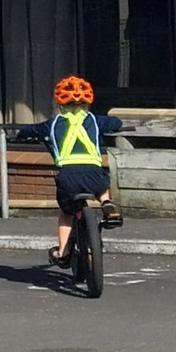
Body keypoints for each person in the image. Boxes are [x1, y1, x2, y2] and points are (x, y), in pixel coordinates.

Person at [35, 75, 124, 264]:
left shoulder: (52, 124)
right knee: (102, 184)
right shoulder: (95, 120)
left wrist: (21, 134)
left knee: (67, 213)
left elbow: (30, 130)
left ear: (60, 104)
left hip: (68, 177)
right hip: (94, 175)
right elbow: (116, 123)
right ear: (87, 104)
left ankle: (63, 252)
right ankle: (107, 203)